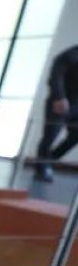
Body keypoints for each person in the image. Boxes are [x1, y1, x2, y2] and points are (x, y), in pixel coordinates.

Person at [34, 44, 78, 182]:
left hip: (76, 106)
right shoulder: (72, 54)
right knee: (50, 137)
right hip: (60, 103)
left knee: (75, 136)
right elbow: (57, 72)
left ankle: (49, 160)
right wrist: (59, 96)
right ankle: (42, 170)